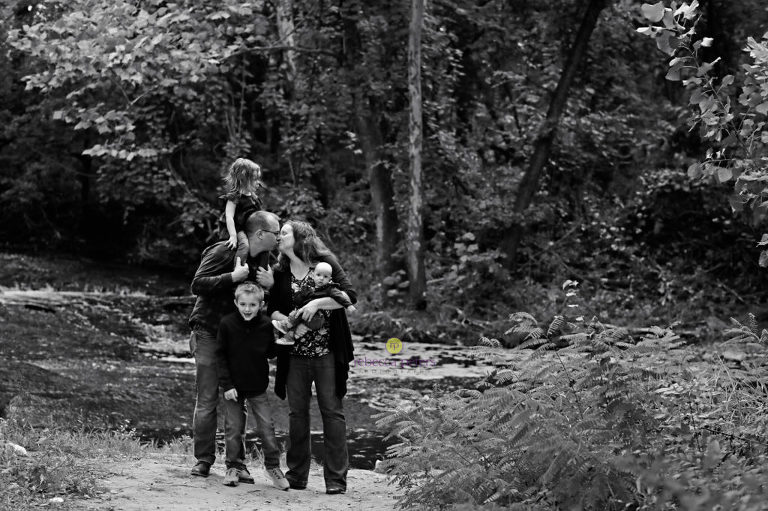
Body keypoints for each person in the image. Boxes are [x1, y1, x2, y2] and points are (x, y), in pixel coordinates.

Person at [188, 210, 281, 480]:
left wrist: (272, 285)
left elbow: (260, 299)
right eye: (276, 233)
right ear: (260, 234)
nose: (279, 238)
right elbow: (197, 284)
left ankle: (236, 463)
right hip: (208, 331)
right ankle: (203, 460)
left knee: (237, 399)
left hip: (240, 338)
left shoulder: (266, 259)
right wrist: (232, 277)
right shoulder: (224, 251)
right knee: (207, 399)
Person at [268, 220, 357, 495]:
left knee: (332, 412)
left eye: (284, 232)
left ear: (299, 238)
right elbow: (272, 309)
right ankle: (297, 475)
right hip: (294, 355)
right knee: (297, 414)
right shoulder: (280, 272)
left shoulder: (324, 264)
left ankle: (336, 480)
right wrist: (287, 322)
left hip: (327, 353)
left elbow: (350, 296)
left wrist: (317, 303)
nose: (279, 236)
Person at [217, 282, 289, 490]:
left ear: (261, 305)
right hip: (233, 387)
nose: (247, 309)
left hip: (257, 386)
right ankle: (234, 466)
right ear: (236, 303)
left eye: (252, 305)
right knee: (233, 428)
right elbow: (220, 356)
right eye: (243, 304)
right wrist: (227, 385)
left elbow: (270, 352)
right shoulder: (227, 324)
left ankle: (273, 467)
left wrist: (284, 338)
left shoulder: (266, 325)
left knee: (267, 427)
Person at [271, 262, 357, 346]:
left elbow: (340, 297)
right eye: (318, 275)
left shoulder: (330, 289)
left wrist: (348, 305)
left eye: (325, 276)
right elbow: (300, 299)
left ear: (329, 279)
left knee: (297, 315)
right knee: (295, 313)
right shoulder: (309, 287)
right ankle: (289, 337)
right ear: (313, 275)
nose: (321, 278)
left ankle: (286, 325)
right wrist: (299, 295)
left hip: (318, 318)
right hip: (309, 315)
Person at [219, 158, 264, 262]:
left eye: (258, 179)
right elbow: (229, 217)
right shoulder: (234, 197)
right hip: (239, 229)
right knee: (244, 245)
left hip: (251, 229)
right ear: (243, 179)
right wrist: (233, 236)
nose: (258, 183)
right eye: (254, 179)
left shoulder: (253, 198)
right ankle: (238, 267)